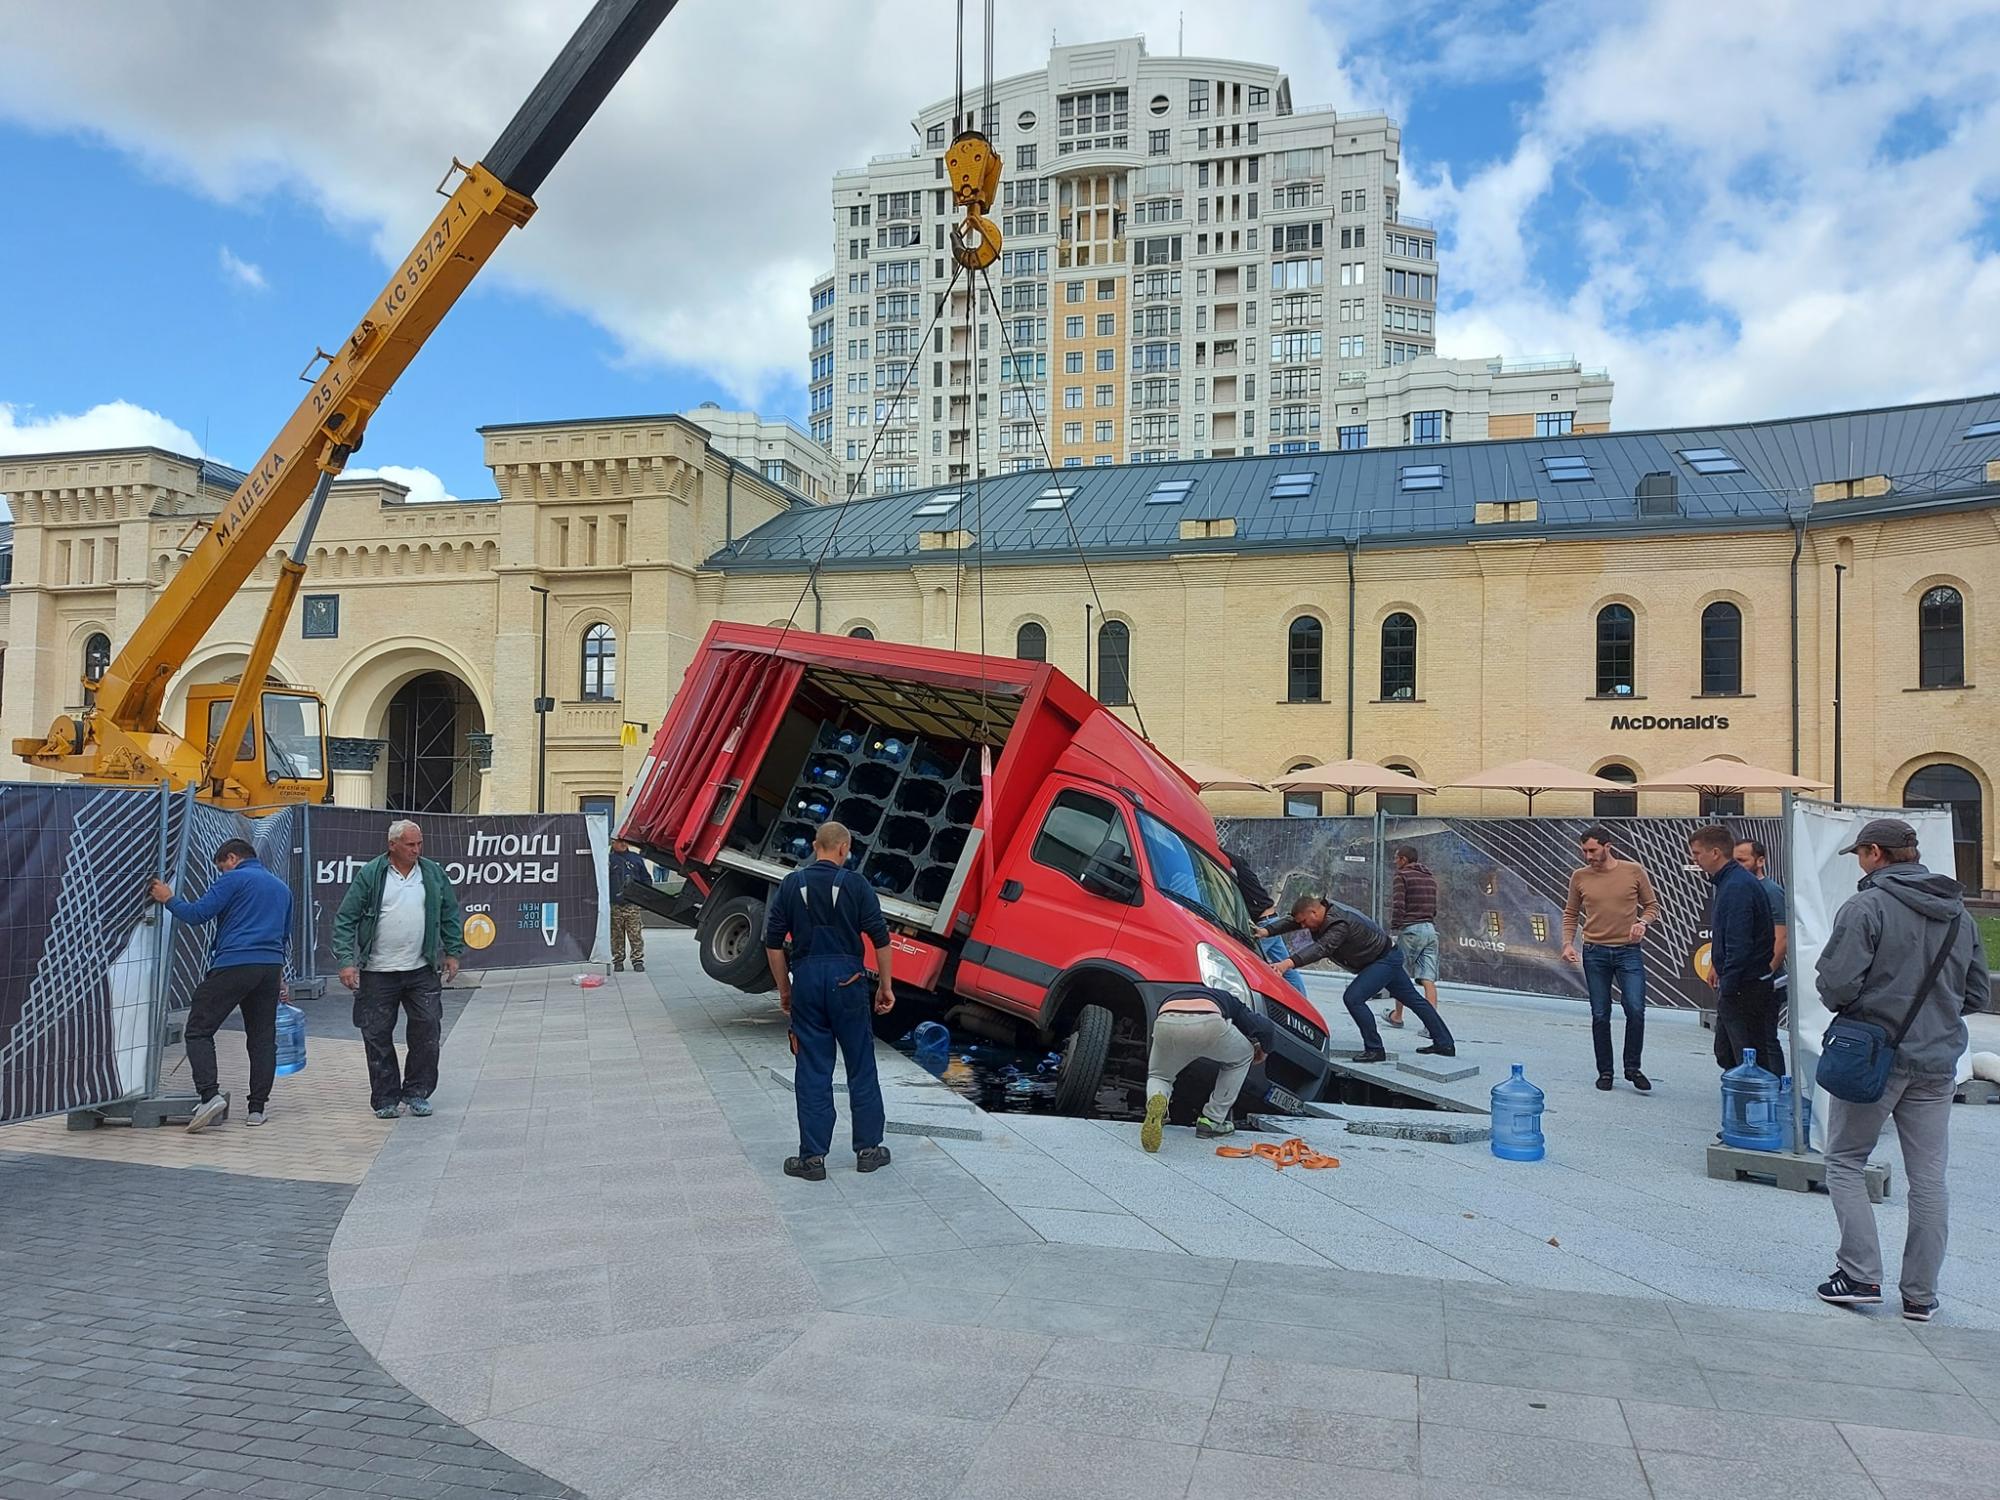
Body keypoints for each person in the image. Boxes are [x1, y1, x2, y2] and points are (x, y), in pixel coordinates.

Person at [1814, 818, 1990, 1320]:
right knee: (1929, 1179)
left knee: (1845, 1161)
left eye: (1860, 854)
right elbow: (1977, 993)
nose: (1860, 862)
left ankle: (1861, 1276)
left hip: (1874, 1056)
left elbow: (1836, 986)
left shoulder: (1865, 906)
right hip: (1938, 1062)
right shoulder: (1960, 915)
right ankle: (1920, 1295)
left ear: (1875, 853)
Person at [764, 821, 896, 1182]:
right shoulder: (856, 885)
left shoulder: (792, 884)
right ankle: (868, 1151)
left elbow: (773, 943)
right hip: (849, 981)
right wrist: (886, 986)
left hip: (806, 980)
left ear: (814, 845)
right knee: (860, 1065)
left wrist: (785, 989)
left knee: (812, 1070)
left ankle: (812, 1159)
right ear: (844, 848)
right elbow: (881, 940)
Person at [149, 838, 293, 1132]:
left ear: (231, 858)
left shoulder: (234, 879)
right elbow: (284, 936)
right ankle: (257, 1109)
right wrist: (280, 977)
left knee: (199, 1029)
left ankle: (209, 1095)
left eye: (222, 868)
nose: (221, 873)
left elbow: (198, 914)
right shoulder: (282, 888)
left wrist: (169, 898)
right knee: (263, 1039)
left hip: (235, 962)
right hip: (270, 967)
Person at [333, 819, 464, 1121]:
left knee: (428, 1029)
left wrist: (453, 952)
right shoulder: (371, 875)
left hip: (421, 969)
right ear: (392, 845)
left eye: (419, 844)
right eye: (410, 844)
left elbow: (449, 913)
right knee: (377, 1034)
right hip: (378, 971)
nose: (416, 850)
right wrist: (346, 961)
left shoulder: (431, 873)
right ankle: (385, 1098)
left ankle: (417, 1093)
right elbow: (345, 919)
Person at [1260, 894, 1455, 1063]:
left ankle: (1375, 1049)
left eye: (1304, 922)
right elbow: (1292, 921)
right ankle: (1445, 1044)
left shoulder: (1339, 924)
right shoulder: (1319, 912)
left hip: (1383, 960)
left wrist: (1287, 963)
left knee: (1353, 998)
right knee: (1414, 999)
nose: (1302, 926)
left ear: (1314, 913)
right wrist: (1266, 931)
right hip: (1384, 956)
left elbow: (1322, 948)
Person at [1561, 826, 1660, 1092]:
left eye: (1592, 850)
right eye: (1584, 851)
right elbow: (1571, 912)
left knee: (1636, 1008)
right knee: (1600, 1013)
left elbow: (1652, 905)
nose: (1587, 856)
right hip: (1595, 951)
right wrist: (1568, 943)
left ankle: (1633, 1068)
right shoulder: (1579, 876)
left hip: (1628, 950)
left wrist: (1642, 922)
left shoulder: (1633, 870)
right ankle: (1605, 1071)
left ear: (1608, 846)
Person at [1690, 824, 1780, 1078]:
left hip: (1744, 985)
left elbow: (1739, 941)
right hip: (1741, 981)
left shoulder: (1737, 885)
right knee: (1729, 1052)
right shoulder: (1731, 882)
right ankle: (1749, 1101)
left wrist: (1729, 984)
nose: (1694, 859)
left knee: (1747, 1055)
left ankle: (1753, 1106)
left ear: (1715, 852)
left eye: (1697, 853)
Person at [1141, 984, 1277, 1150]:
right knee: (1243, 1056)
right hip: (1208, 1022)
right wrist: (1264, 1051)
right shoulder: (1229, 999)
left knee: (1160, 1076)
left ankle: (1157, 1101)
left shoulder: (1176, 993)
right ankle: (1212, 1120)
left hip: (1166, 1021)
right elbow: (1266, 1028)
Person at [1224, 845, 1307, 999]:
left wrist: (1213, 847)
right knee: (1286, 967)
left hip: (1265, 924)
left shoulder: (1240, 868)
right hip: (1271, 920)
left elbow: (1230, 858)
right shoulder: (1245, 875)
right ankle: (1302, 999)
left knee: (1246, 960)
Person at [1386, 845, 1441, 1030]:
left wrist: (1394, 930)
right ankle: (1432, 1026)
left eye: (1397, 858)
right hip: (1430, 930)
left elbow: (1399, 905)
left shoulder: (1402, 876)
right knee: (1428, 979)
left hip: (1410, 929)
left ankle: (1398, 1016)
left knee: (1399, 974)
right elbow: (1434, 908)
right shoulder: (1430, 878)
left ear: (1404, 859)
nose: (1395, 862)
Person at [1734, 837, 1789, 1007]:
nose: (1737, 866)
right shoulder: (1736, 888)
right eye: (1734, 861)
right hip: (1740, 978)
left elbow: (1782, 938)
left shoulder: (1772, 892)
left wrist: (1763, 977)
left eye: (1742, 860)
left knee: (1760, 1033)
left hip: (1762, 982)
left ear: (1760, 861)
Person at [608, 838, 653, 973]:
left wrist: (643, 895)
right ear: (613, 843)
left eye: (624, 842)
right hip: (615, 905)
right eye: (619, 841)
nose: (623, 844)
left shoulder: (635, 858)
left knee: (635, 934)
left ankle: (637, 960)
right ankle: (618, 960)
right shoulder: (608, 860)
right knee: (616, 935)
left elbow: (646, 878)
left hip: (632, 904)